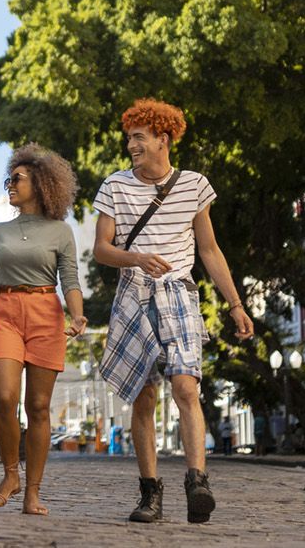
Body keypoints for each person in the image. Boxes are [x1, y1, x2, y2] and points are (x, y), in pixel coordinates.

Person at [93, 98, 254, 524]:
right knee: (144, 398)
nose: (131, 145)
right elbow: (101, 250)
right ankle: (150, 494)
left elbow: (209, 250)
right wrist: (138, 259)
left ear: (163, 139)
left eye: (139, 137)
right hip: (134, 294)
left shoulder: (194, 185)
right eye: (129, 138)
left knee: (186, 387)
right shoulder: (115, 187)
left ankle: (197, 482)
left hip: (179, 294)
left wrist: (236, 304)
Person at [0, 144, 88, 516]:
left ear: (42, 182)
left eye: (16, 179)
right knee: (4, 397)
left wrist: (78, 315)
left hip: (45, 313)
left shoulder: (60, 232)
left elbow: (69, 278)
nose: (10, 185)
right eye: (9, 178)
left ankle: (33, 491)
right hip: (4, 312)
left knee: (37, 406)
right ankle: (10, 475)